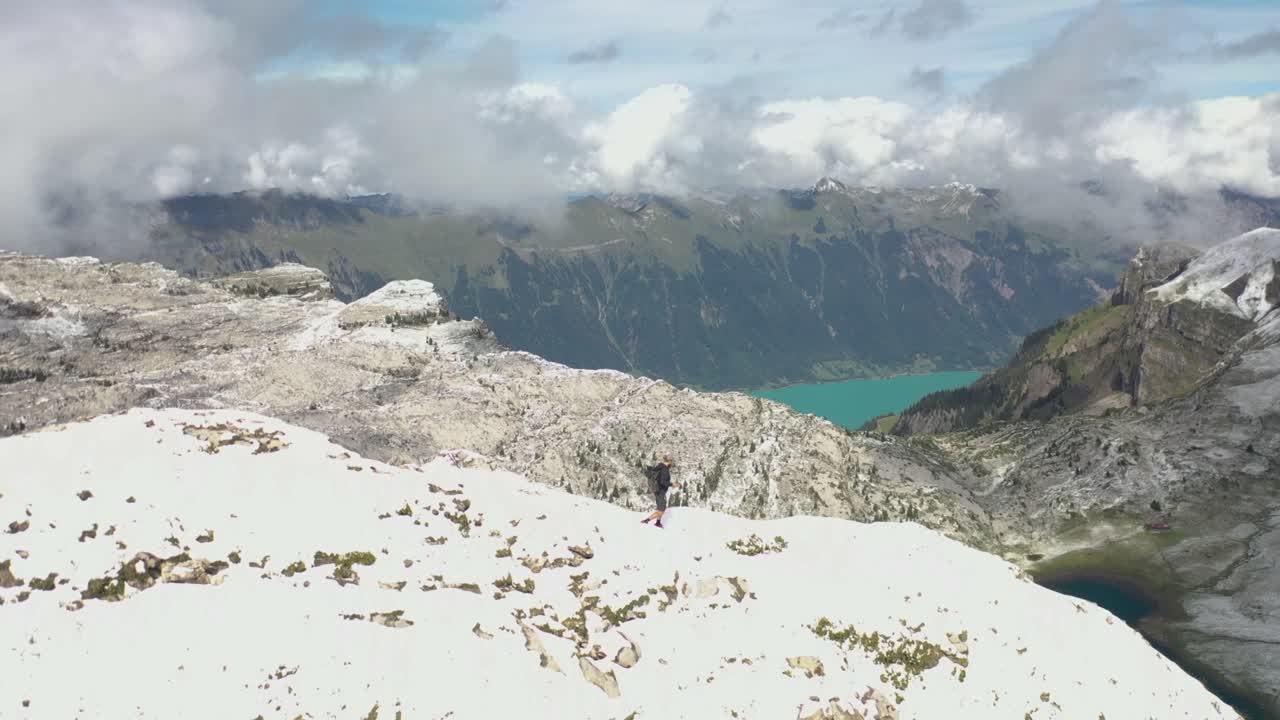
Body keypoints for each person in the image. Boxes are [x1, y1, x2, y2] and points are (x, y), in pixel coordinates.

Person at [641, 454, 678, 528]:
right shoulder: (664, 469)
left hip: (657, 490)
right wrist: (672, 484)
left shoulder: (659, 467)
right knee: (661, 510)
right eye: (671, 461)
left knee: (660, 508)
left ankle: (658, 522)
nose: (672, 463)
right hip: (660, 492)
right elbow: (663, 482)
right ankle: (646, 521)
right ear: (669, 461)